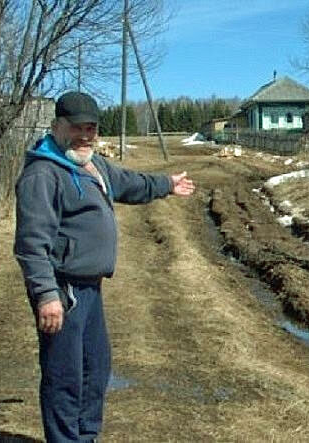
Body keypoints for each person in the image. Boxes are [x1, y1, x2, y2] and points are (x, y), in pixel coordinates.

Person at [13, 91, 195, 442]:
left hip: (90, 288)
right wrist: (46, 295)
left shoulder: (91, 164)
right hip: (64, 289)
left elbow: (130, 182)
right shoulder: (43, 174)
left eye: (91, 127)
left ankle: (85, 436)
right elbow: (31, 245)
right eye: (77, 127)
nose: (85, 135)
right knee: (65, 376)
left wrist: (166, 184)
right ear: (56, 126)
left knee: (95, 372)